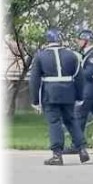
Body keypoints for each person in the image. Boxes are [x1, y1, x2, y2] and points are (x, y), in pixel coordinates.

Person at [29, 28, 89, 166]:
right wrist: (80, 97)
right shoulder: (72, 56)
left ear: (47, 40)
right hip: (69, 93)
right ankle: (82, 149)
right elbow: (79, 78)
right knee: (71, 121)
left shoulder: (40, 56)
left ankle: (57, 154)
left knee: (54, 122)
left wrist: (35, 101)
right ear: (60, 39)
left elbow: (34, 80)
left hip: (50, 94)